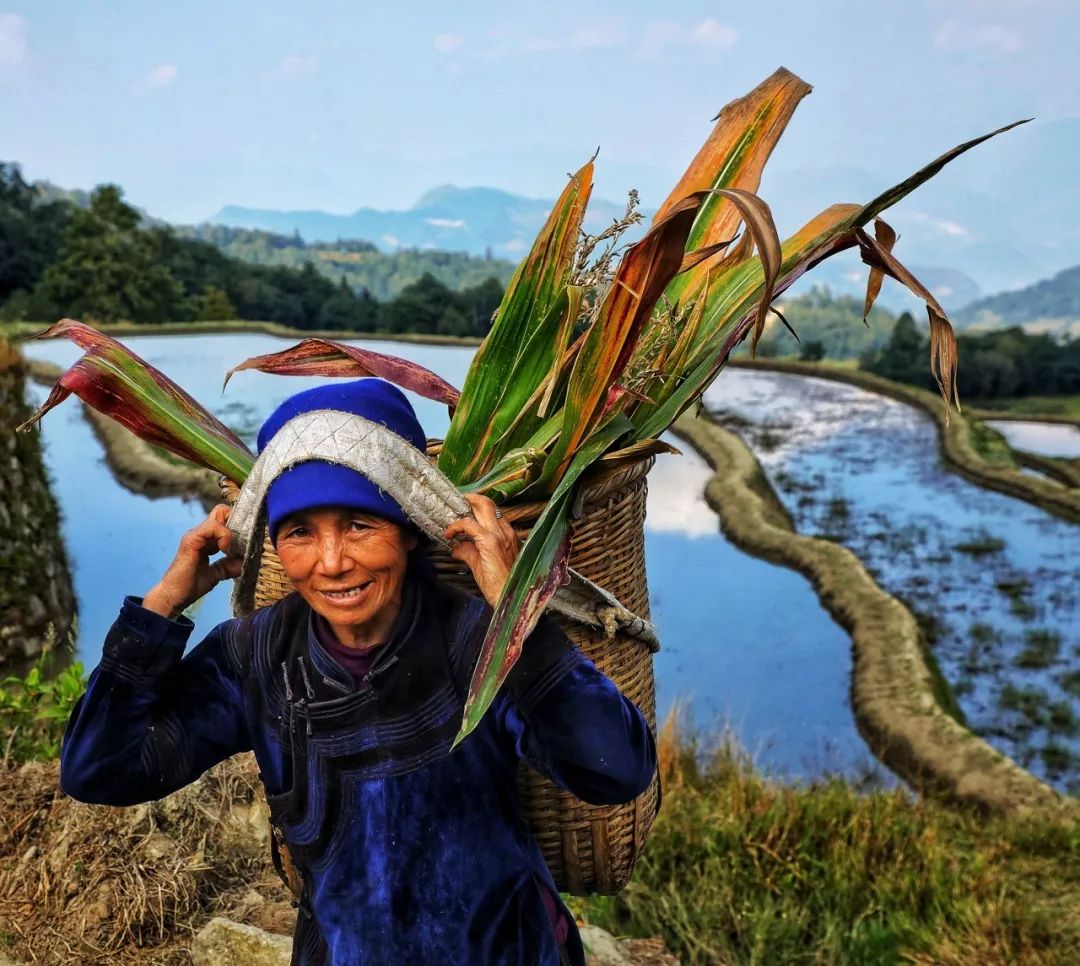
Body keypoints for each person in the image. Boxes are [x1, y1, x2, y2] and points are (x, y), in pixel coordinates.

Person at [59, 378, 658, 965]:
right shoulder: (255, 657)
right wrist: (165, 601)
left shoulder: (475, 640)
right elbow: (99, 770)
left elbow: (618, 770)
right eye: (299, 532)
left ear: (408, 530)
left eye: (359, 524)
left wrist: (514, 613)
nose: (332, 563)